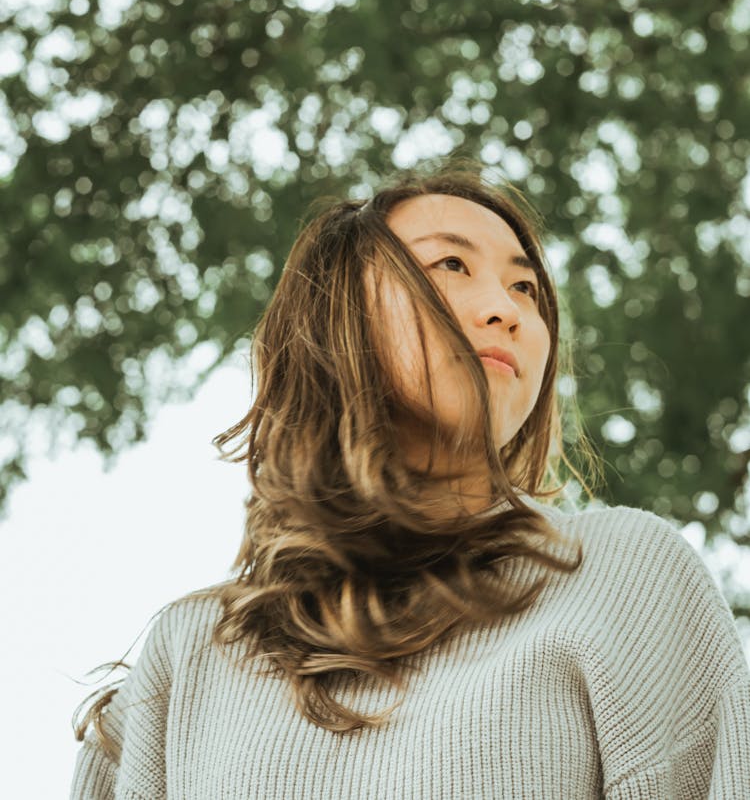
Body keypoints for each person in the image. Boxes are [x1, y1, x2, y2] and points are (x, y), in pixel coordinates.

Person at [70, 162, 750, 799]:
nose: (506, 309)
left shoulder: (626, 578)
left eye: (526, 288)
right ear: (337, 318)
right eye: (451, 263)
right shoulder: (188, 656)